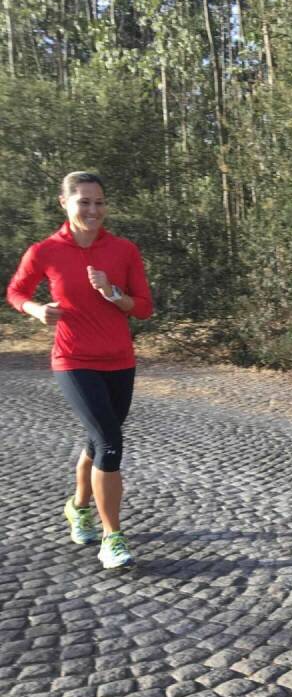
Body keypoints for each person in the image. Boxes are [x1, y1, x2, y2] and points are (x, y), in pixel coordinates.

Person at [7, 172, 154, 568]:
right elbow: (16, 292)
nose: (93, 210)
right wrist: (35, 308)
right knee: (109, 441)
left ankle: (78, 507)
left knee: (98, 439)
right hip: (73, 360)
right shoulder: (45, 251)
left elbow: (143, 308)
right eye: (84, 201)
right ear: (64, 203)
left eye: (99, 202)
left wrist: (112, 292)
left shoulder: (123, 250)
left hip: (119, 359)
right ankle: (112, 538)